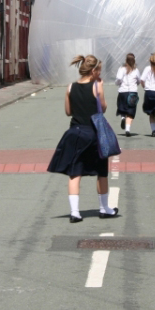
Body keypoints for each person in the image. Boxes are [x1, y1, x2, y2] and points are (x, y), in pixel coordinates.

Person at [47, 55, 119, 223]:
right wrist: (100, 89)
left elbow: (68, 111)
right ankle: (104, 208)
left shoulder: (70, 87)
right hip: (94, 134)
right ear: (93, 71)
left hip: (74, 133)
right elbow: (103, 108)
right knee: (101, 172)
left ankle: (75, 212)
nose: (100, 73)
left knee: (74, 173)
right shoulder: (97, 86)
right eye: (99, 70)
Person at [115, 53, 141, 137]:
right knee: (130, 111)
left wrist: (118, 83)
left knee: (122, 107)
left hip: (123, 91)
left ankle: (123, 118)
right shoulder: (136, 70)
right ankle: (127, 129)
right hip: (133, 92)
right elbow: (139, 81)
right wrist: (135, 84)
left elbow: (118, 78)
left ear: (126, 60)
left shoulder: (121, 69)